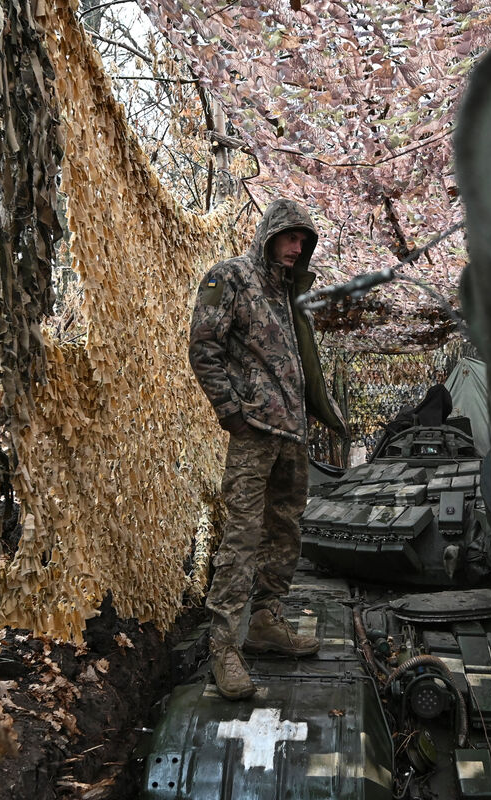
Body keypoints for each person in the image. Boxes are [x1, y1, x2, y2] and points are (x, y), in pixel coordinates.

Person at [188, 198, 347, 700]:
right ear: (270, 234)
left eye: (304, 239)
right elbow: (202, 347)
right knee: (242, 534)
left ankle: (265, 622)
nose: (297, 247)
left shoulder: (290, 292)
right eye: (290, 236)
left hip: (292, 433)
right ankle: (222, 646)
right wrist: (230, 411)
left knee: (285, 532)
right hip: (254, 430)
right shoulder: (230, 277)